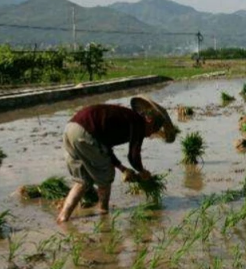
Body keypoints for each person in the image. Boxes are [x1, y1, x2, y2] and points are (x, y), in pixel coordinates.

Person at [56, 95, 178, 223]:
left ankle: (64, 217)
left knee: (82, 181)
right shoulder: (138, 122)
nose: (149, 135)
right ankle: (103, 213)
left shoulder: (125, 118)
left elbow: (105, 149)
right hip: (86, 132)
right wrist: (142, 172)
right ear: (149, 120)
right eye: (153, 130)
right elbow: (133, 155)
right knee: (106, 176)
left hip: (71, 129)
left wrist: (123, 168)